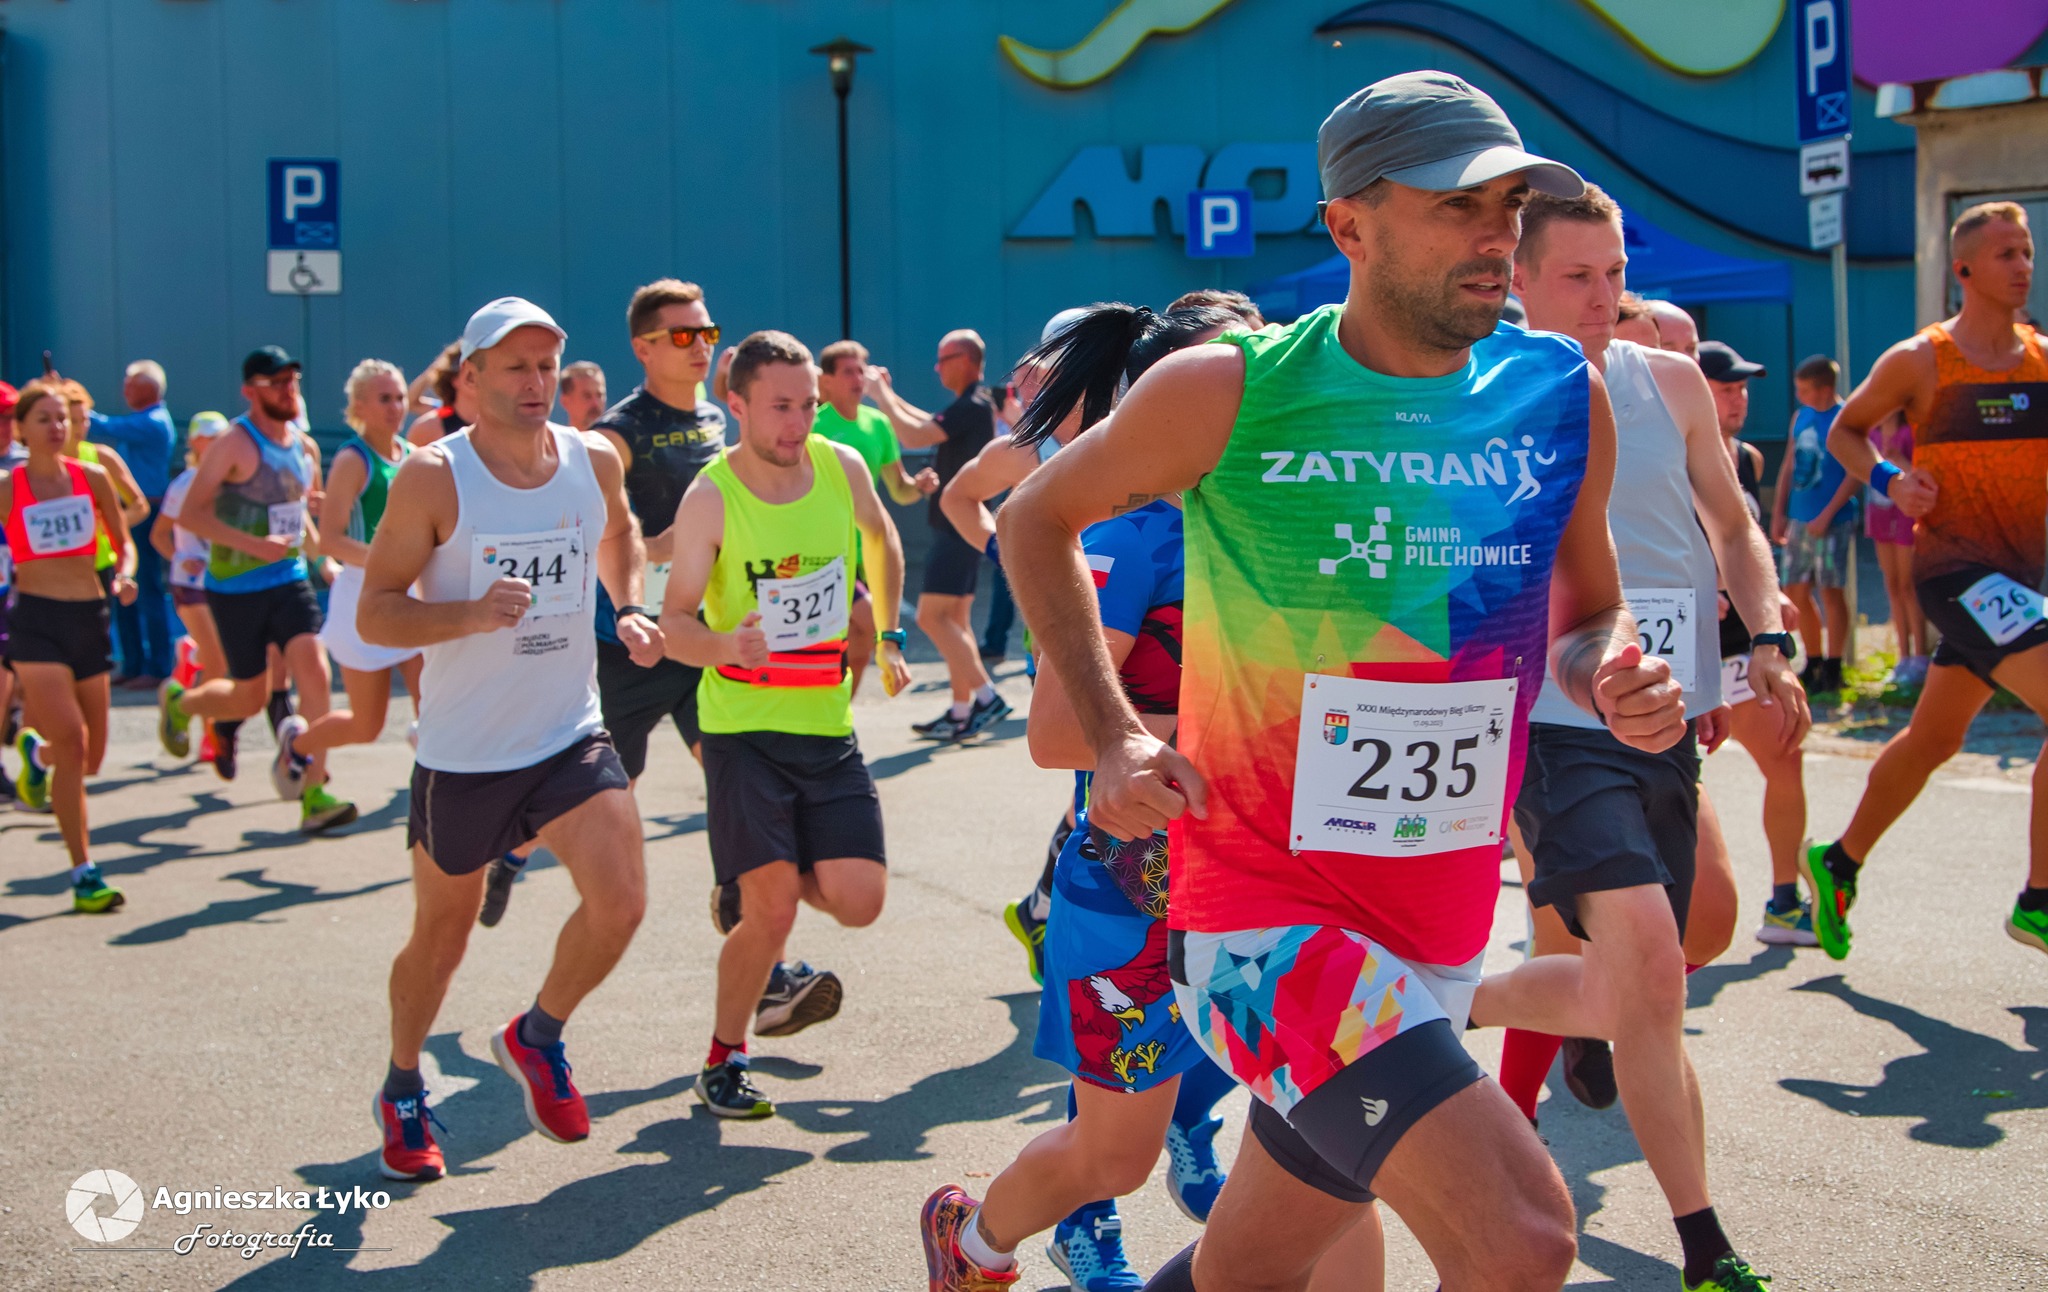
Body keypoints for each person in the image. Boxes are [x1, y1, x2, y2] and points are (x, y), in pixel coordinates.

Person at [994, 71, 1710, 1292]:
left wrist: (1610, 669)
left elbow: (1588, 611)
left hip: (1435, 919)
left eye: (1507, 206)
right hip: (1261, 922)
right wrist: (1112, 734)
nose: (1494, 237)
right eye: (1454, 205)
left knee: (1251, 1268)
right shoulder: (1229, 388)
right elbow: (1033, 519)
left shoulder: (1556, 394)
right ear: (1349, 225)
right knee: (1522, 1235)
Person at [928, 301, 1367, 1292]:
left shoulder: (1303, 528)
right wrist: (1243, 723)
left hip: (1280, 884)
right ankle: (974, 1237)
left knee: (1331, 1145)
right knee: (1110, 1157)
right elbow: (1053, 734)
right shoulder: (1128, 536)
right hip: (1138, 890)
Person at [1476, 187, 1802, 1292]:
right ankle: (1706, 1243)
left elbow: (1732, 524)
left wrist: (1762, 637)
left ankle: (1433, 998)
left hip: (1664, 716)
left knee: (1673, 954)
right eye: (1578, 276)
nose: (1604, 297)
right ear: (1516, 278)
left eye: (1614, 273)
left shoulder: (1669, 381)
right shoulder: (1475, 394)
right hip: (1553, 722)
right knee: (1650, 969)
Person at [358, 296, 663, 1181]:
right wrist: (467, 614)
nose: (537, 383)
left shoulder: (592, 457)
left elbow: (621, 535)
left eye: (547, 366)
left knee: (622, 902)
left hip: (567, 732)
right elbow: (376, 614)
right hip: (465, 754)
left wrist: (629, 605)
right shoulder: (434, 477)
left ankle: (537, 1035)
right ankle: (403, 1083)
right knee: (441, 941)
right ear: (471, 379)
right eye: (516, 367)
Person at [660, 330, 911, 1118]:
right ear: (736, 405)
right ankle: (724, 1058)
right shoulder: (711, 498)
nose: (798, 423)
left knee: (860, 899)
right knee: (773, 911)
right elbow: (674, 623)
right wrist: (722, 645)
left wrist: (891, 632)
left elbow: (882, 537)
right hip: (743, 731)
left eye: (807, 405)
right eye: (780, 407)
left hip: (824, 727)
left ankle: (750, 880)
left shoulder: (841, 467)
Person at [1810, 200, 2048, 960]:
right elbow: (1846, 429)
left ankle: (1838, 862)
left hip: (2023, 580)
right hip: (1956, 571)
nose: (2023, 266)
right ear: (1964, 270)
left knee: (1935, 738)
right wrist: (1890, 479)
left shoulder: (2043, 359)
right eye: (2006, 253)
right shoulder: (1922, 359)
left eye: (2027, 251)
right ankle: (2040, 901)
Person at [155, 346, 354, 834]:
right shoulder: (233, 444)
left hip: (288, 580)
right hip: (235, 588)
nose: (288, 390)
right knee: (248, 698)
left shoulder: (304, 447)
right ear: (250, 391)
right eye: (276, 383)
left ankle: (314, 793)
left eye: (292, 381)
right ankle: (182, 703)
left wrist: (323, 561)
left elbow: (298, 516)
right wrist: (254, 546)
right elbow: (191, 514)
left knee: (316, 672)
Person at [2, 379, 135, 911]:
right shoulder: (9, 487)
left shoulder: (92, 477)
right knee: (76, 744)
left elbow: (123, 545)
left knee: (92, 757)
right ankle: (84, 872)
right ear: (21, 429)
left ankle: (37, 754)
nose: (57, 427)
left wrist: (125, 575)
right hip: (36, 622)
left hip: (89, 617)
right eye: (44, 419)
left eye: (62, 418)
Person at [275, 361, 423, 799]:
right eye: (384, 398)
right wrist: (387, 562)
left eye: (400, 397)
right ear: (359, 407)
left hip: (413, 597)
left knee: (436, 707)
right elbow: (331, 541)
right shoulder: (351, 460)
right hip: (363, 598)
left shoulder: (415, 456)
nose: (396, 407)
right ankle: (297, 745)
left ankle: (438, 795)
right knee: (366, 725)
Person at [1710, 392, 1820, 946]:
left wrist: (1767, 602)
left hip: (1739, 647)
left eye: (1743, 387)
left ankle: (1784, 902)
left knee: (1786, 751)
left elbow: (1745, 540)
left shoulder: (1748, 459)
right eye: (1723, 386)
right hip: (1672, 648)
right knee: (1668, 783)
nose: (1737, 397)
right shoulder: (1660, 449)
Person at [868, 330, 1010, 741]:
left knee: (931, 618)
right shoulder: (973, 404)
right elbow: (925, 423)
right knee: (956, 622)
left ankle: (986, 698)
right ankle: (962, 711)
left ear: (964, 360)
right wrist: (891, 398)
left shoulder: (972, 405)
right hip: (962, 528)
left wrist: (880, 395)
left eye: (943, 359)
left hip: (955, 528)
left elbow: (915, 435)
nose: (936, 368)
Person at [814, 339, 938, 695]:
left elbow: (899, 489)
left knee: (859, 644)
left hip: (866, 549)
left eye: (861, 371)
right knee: (868, 621)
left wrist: (919, 487)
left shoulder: (878, 423)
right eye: (847, 372)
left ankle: (843, 711)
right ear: (826, 381)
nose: (858, 379)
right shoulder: (814, 425)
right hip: (825, 551)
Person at [1769, 352, 1859, 695]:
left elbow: (1856, 473)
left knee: (1831, 591)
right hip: (1799, 518)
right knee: (1795, 589)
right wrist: (1779, 512)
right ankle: (1814, 660)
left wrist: (1826, 515)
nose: (1798, 395)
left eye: (1804, 389)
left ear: (1823, 389)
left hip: (1832, 520)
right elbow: (1789, 466)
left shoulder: (1845, 419)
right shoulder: (1801, 416)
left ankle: (1834, 666)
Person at [89, 359, 178, 687]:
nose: (124, 390)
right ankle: (132, 664)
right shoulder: (145, 420)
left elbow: (106, 427)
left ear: (150, 389)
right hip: (127, 510)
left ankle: (158, 668)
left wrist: (72, 406)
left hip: (146, 513)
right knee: (122, 585)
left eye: (131, 385)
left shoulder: (153, 422)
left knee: (147, 588)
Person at [151, 412, 232, 761]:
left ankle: (190, 657)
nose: (216, 445)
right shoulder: (184, 484)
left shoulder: (236, 483)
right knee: (218, 661)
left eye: (221, 438)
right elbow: (158, 535)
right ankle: (210, 734)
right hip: (191, 585)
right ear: (194, 442)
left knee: (223, 655)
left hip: (227, 582)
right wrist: (181, 558)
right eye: (209, 437)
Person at [1865, 410, 1927, 686]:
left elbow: (1922, 473)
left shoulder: (1909, 432)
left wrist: (1900, 462)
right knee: (1892, 584)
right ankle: (1903, 657)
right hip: (1879, 511)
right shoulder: (1872, 434)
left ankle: (1920, 657)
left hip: (1905, 515)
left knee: (1908, 585)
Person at [407, 342, 476, 446]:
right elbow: (410, 402)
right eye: (469, 374)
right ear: (454, 379)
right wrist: (438, 367)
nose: (476, 378)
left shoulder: (498, 421)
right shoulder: (440, 415)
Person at [558, 360, 608, 432]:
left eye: (599, 395)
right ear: (565, 401)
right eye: (587, 396)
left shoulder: (619, 439)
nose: (595, 403)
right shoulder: (556, 439)